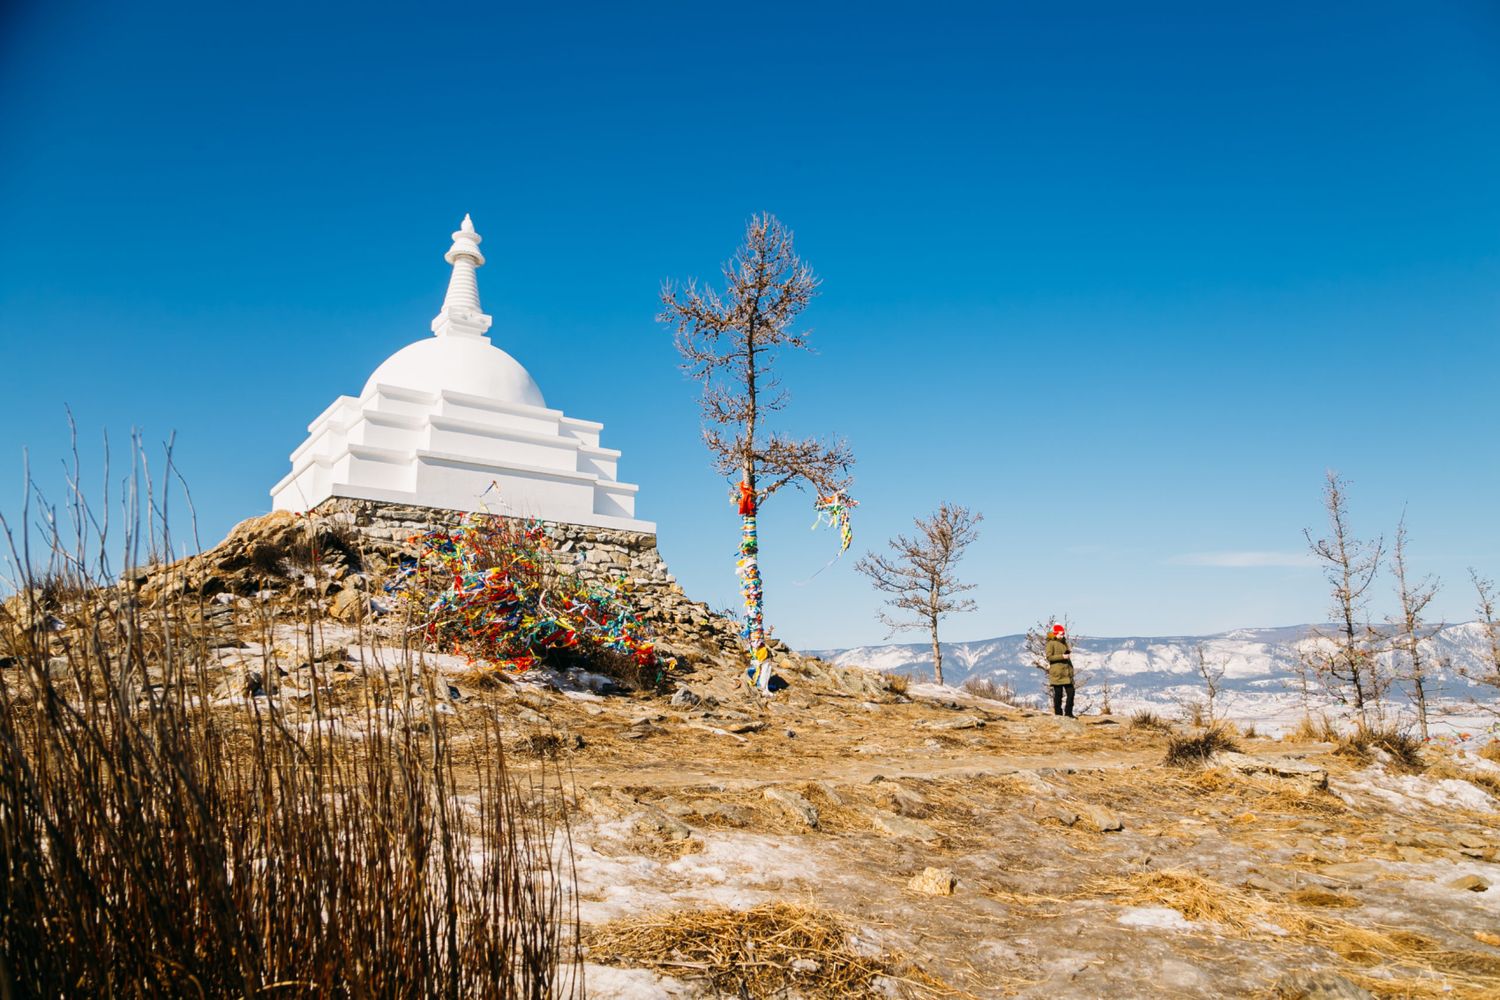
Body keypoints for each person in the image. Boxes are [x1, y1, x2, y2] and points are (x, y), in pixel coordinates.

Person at [1045, 623, 1076, 717]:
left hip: (1066, 673)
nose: (1062, 635)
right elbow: (1049, 657)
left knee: (1071, 693)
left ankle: (1069, 713)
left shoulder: (1064, 642)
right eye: (1061, 634)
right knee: (1058, 694)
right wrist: (1062, 656)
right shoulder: (1050, 643)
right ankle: (1058, 713)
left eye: (1063, 633)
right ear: (1055, 633)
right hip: (1057, 674)